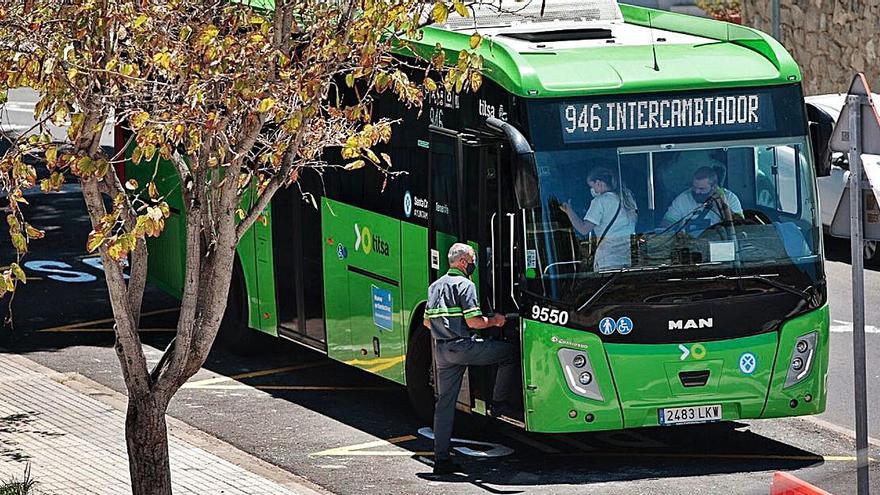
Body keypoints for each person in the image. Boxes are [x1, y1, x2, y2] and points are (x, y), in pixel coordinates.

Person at [423, 243, 516, 475]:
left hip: (441, 351)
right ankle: (497, 403)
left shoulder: (435, 286)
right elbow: (474, 322)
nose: (475, 263)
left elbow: (426, 322)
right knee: (508, 354)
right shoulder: (466, 285)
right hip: (462, 346)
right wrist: (495, 321)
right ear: (464, 262)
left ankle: (441, 460)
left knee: (444, 405)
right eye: (473, 258)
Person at [559, 167, 638, 271]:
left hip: (608, 259)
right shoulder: (627, 197)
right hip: (628, 256)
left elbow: (583, 229)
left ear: (599, 183)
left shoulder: (600, 201)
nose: (592, 190)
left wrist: (568, 210)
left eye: (592, 186)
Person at [662, 166, 743, 234]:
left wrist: (722, 208)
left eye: (702, 189)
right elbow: (666, 223)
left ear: (714, 187)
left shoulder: (730, 198)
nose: (697, 191)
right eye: (694, 187)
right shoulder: (683, 198)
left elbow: (741, 227)